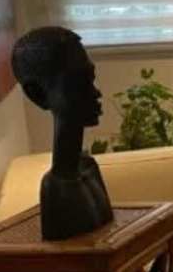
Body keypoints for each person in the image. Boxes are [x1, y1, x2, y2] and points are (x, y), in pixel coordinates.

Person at [11, 26, 113, 239]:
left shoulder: (88, 167)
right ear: (38, 95)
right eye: (78, 82)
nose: (95, 92)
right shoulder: (55, 189)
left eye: (90, 79)